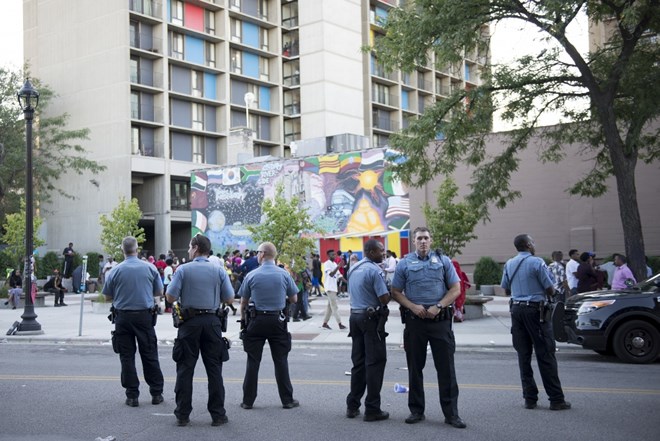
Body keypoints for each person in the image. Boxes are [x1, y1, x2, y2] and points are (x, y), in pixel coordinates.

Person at [391, 227, 466, 429]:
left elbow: (456, 289)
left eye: (426, 238)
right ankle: (416, 410)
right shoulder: (405, 263)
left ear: (431, 240)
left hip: (440, 321)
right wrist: (413, 306)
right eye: (419, 238)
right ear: (413, 242)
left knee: (446, 369)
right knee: (415, 368)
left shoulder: (443, 261)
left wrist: (439, 306)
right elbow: (395, 291)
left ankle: (452, 414)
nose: (423, 241)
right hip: (415, 322)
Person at [165, 233, 235, 427]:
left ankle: (183, 414)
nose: (188, 250)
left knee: (185, 370)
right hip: (212, 322)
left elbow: (170, 298)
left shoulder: (183, 270)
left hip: (189, 324)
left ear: (195, 248)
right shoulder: (218, 270)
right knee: (214, 370)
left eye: (189, 247)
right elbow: (230, 298)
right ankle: (218, 415)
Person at [501, 234, 571, 411]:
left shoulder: (509, 264)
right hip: (536, 311)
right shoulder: (537, 262)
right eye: (532, 242)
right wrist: (553, 292)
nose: (534, 244)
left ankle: (530, 399)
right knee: (545, 354)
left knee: (523, 356)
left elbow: (506, 289)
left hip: (516, 311)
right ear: (527, 245)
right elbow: (549, 288)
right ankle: (556, 399)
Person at [102, 236, 164, 408]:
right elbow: (159, 291)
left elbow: (107, 296)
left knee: (126, 357)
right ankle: (156, 393)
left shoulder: (114, 271)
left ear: (122, 250)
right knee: (150, 354)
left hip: (123, 317)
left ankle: (132, 396)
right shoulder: (150, 268)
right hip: (145, 317)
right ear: (137, 249)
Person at [238, 242, 300, 410]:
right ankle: (287, 400)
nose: (256, 255)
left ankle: (248, 401)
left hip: (256, 321)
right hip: (277, 321)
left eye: (258, 252)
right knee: (281, 361)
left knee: (253, 361)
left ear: (263, 254)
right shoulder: (284, 274)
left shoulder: (252, 275)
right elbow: (294, 299)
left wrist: (244, 323)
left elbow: (243, 303)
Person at [345, 239, 391, 422]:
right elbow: (384, 298)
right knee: (375, 363)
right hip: (370, 320)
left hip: (354, 318)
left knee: (358, 363)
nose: (384, 253)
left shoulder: (353, 269)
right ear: (371, 252)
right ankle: (372, 409)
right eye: (381, 250)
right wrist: (391, 291)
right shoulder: (374, 270)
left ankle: (352, 405)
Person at [322, 250, 347, 330]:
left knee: (329, 307)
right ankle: (340, 324)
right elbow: (331, 274)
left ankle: (325, 323)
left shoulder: (335, 264)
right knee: (334, 307)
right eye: (332, 255)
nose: (334, 256)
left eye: (334, 254)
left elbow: (339, 276)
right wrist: (338, 266)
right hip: (329, 288)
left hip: (334, 288)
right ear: (328, 256)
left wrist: (348, 282)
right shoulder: (327, 264)